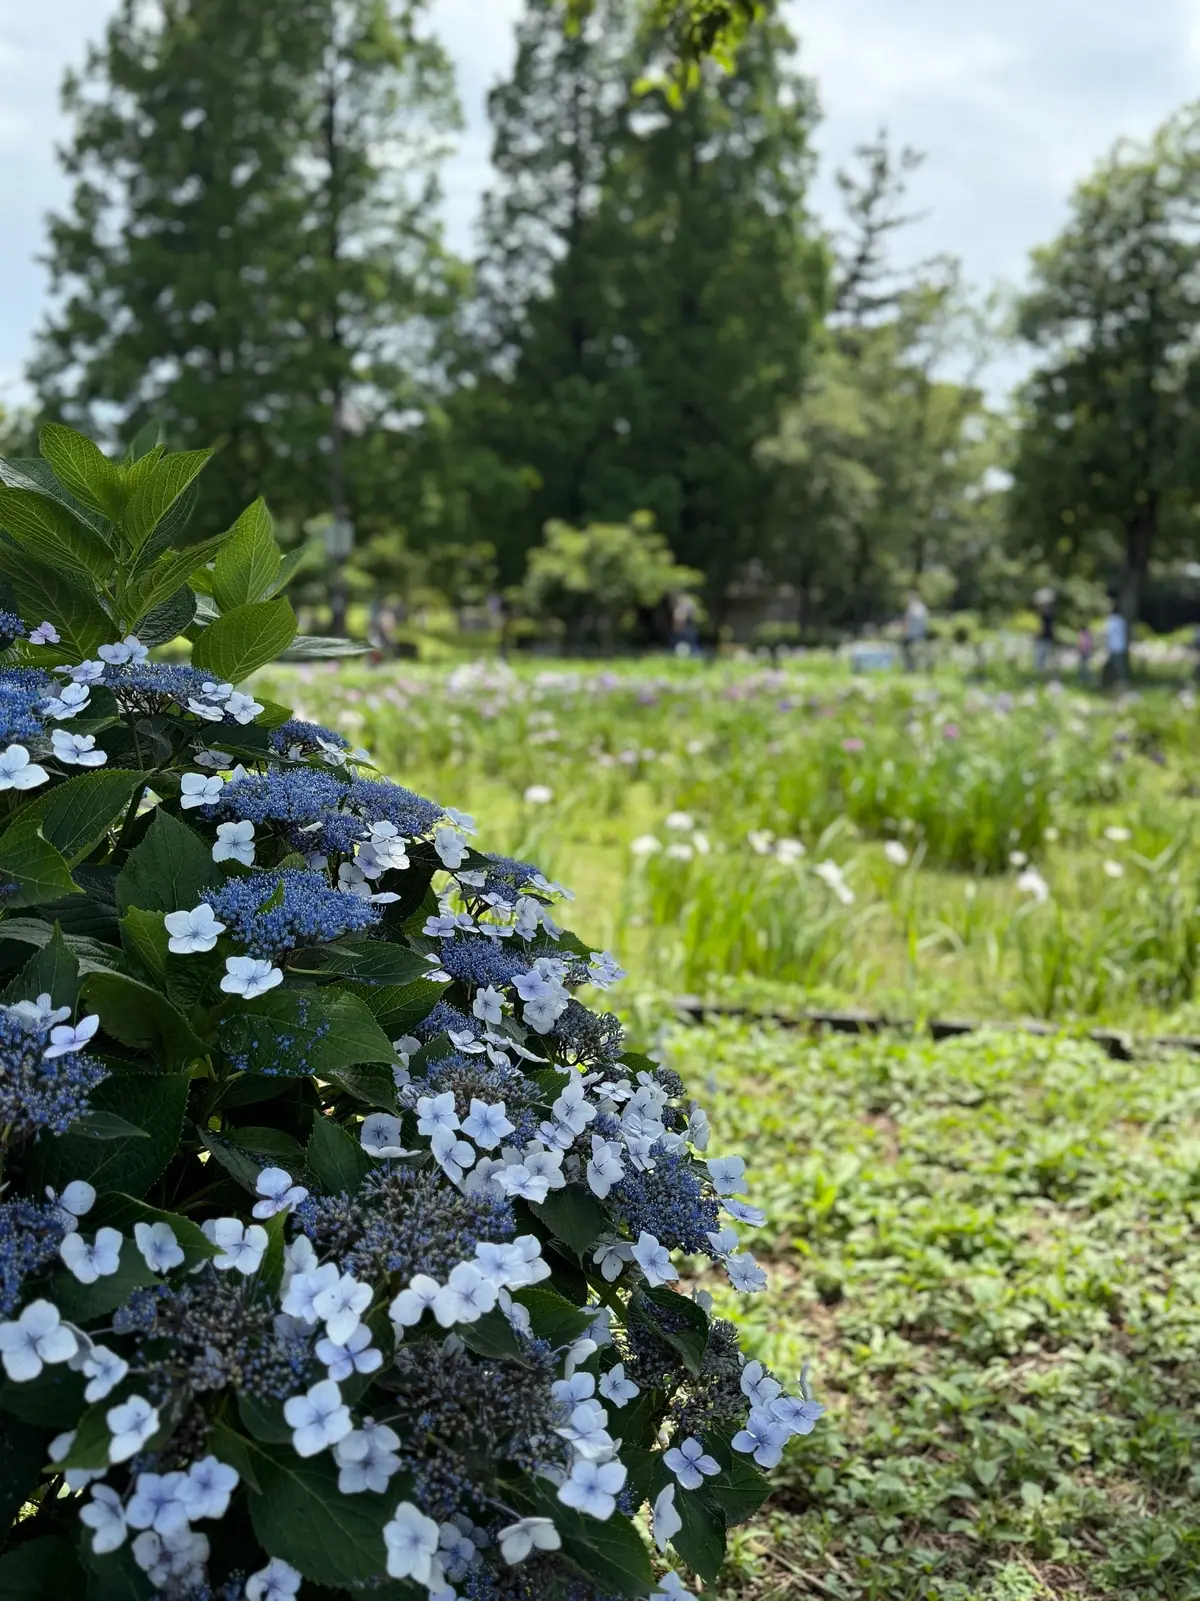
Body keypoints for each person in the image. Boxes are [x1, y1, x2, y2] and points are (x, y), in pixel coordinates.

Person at [901, 591, 928, 672]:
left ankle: (910, 667)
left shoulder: (913, 608)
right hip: (919, 634)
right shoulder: (922, 608)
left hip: (914, 635)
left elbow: (907, 622)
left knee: (904, 648)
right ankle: (910, 666)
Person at [1104, 602, 1129, 686]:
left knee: (1117, 664)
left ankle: (1119, 680)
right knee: (1119, 664)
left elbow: (1108, 634)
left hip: (1114, 646)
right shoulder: (1121, 620)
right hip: (1121, 645)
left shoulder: (1110, 621)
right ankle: (1118, 680)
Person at [1034, 599, 1056, 673]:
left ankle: (1042, 669)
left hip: (1046, 638)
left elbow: (1042, 628)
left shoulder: (1047, 617)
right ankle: (1040, 669)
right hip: (1045, 638)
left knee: (1042, 655)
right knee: (1041, 655)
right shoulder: (1045, 616)